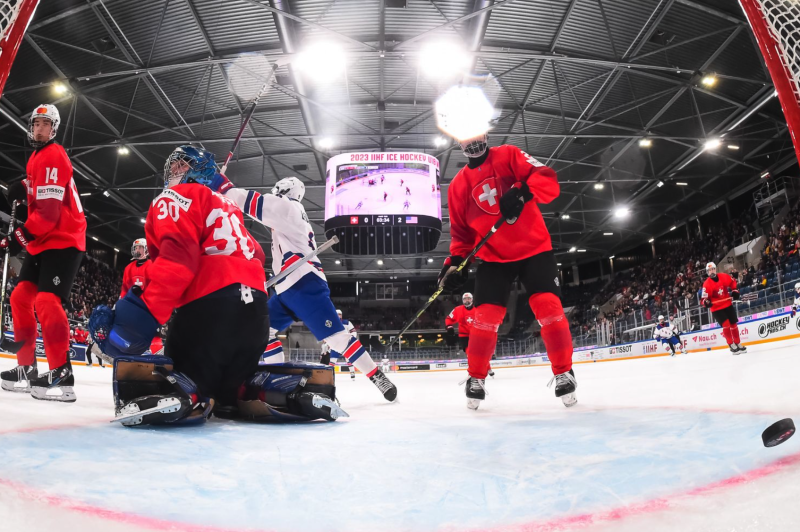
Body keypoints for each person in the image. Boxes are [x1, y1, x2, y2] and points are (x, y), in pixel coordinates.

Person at [90, 146, 344, 425]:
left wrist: (132, 325)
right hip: (256, 316)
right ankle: (282, 392)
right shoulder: (227, 205)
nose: (173, 172)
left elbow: (176, 263)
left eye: (180, 166)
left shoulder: (172, 197)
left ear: (196, 171)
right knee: (232, 390)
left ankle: (185, 394)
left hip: (210, 310)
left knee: (185, 374)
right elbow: (257, 254)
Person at [206, 172, 397, 402]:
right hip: (286, 288)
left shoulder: (289, 208)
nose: (274, 193)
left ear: (285, 191)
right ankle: (276, 379)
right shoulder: (289, 215)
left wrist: (222, 186)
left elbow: (252, 203)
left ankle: (377, 376)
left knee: (337, 339)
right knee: (261, 331)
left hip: (304, 283)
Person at [439, 133, 575, 410]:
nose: (472, 141)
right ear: (458, 142)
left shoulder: (509, 155)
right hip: (493, 258)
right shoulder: (457, 186)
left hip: (535, 249)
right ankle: (476, 378)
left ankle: (564, 371)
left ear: (485, 133)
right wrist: (455, 265)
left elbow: (548, 181)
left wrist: (523, 191)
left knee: (547, 306)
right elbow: (461, 236)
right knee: (485, 318)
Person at [0, 104, 86, 402]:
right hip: (44, 242)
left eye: (45, 124)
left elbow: (48, 215)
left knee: (47, 301)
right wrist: (23, 187)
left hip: (64, 239)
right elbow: (40, 188)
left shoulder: (53, 154)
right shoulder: (37, 157)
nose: (39, 129)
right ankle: (26, 367)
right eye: (36, 123)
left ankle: (62, 372)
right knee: (20, 298)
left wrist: (19, 238)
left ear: (54, 129)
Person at [701, 262, 747, 354]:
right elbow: (703, 300)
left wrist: (735, 290)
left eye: (713, 269)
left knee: (733, 324)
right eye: (709, 270)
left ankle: (737, 343)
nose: (712, 271)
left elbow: (732, 281)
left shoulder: (723, 276)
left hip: (727, 304)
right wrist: (706, 302)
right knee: (726, 324)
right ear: (707, 272)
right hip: (716, 308)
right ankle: (731, 344)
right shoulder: (706, 284)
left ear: (715, 269)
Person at [446, 292, 495, 378]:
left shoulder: (478, 309)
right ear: (462, 300)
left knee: (481, 354)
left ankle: (488, 368)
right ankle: (472, 372)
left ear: (472, 300)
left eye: (468, 298)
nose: (467, 300)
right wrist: (449, 327)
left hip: (476, 335)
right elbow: (449, 318)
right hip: (464, 335)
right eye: (465, 299)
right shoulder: (458, 310)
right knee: (470, 354)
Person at [320, 309, 356, 381]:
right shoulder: (330, 323)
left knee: (349, 360)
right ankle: (329, 375)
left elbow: (353, 332)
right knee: (332, 361)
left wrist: (351, 339)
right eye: (337, 314)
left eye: (340, 314)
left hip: (345, 344)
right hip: (335, 345)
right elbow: (327, 333)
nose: (338, 316)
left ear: (341, 315)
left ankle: (352, 373)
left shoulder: (347, 322)